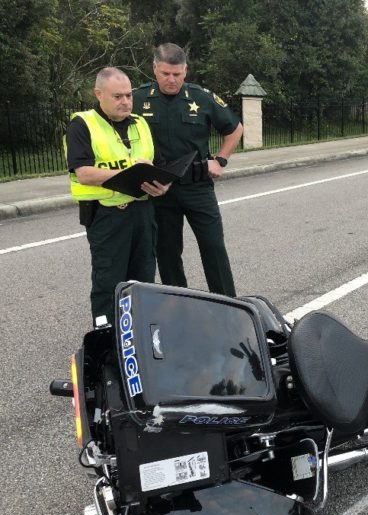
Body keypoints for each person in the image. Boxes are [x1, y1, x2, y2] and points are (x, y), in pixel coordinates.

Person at [132, 43, 243, 297]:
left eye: (177, 74)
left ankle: (227, 305)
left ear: (185, 71)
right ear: (154, 69)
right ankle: (180, 307)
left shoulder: (201, 97)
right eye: (165, 74)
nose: (172, 80)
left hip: (198, 186)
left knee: (213, 247)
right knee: (168, 254)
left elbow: (235, 128)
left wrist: (221, 160)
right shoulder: (138, 99)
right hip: (161, 191)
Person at [65, 67, 170, 325]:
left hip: (143, 213)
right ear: (99, 94)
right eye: (118, 96)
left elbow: (158, 164)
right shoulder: (82, 124)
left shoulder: (140, 123)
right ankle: (105, 344)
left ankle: (139, 336)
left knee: (143, 280)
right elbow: (84, 172)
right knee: (109, 282)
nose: (125, 101)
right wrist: (130, 170)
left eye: (128, 95)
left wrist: (163, 185)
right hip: (107, 216)